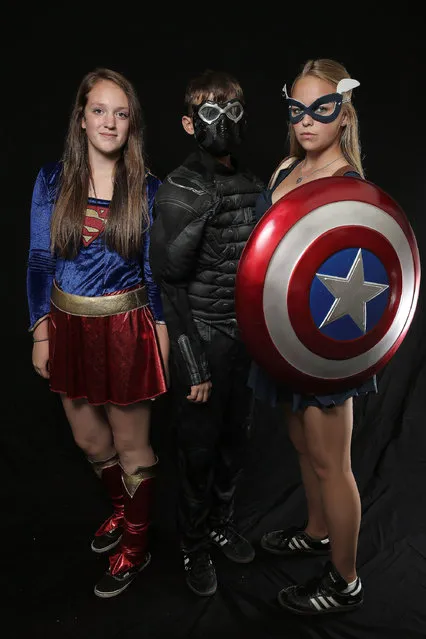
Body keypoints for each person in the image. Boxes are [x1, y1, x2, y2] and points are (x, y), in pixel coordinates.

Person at [27, 68, 169, 599]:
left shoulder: (149, 188)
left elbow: (154, 274)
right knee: (89, 439)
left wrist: (160, 333)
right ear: (81, 119)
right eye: (99, 110)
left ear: (132, 123)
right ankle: (120, 510)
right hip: (66, 325)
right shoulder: (51, 179)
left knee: (134, 448)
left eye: (121, 112)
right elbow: (40, 261)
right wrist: (41, 331)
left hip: (126, 329)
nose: (109, 121)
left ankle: (137, 544)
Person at [251, 58, 375, 615]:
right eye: (296, 110)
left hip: (323, 346)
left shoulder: (349, 185)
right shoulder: (285, 169)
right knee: (302, 446)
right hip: (279, 338)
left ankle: (345, 578)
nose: (306, 122)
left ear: (343, 112)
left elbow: (362, 280)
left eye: (320, 109)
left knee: (332, 462)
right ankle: (318, 529)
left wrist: (332, 351)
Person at [149, 69, 264, 596]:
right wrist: (192, 363)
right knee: (196, 452)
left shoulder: (251, 184)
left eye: (232, 111)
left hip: (246, 342)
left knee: (234, 443)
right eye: (210, 113)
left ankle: (221, 523)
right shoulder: (180, 188)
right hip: (202, 336)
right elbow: (170, 283)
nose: (223, 122)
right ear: (189, 122)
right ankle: (193, 546)